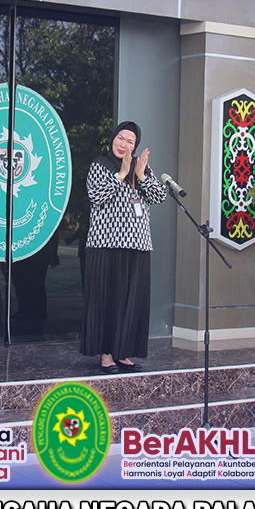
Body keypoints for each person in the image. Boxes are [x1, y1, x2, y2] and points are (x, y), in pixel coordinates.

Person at [80, 121, 166, 373]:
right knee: (106, 301)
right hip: (105, 244)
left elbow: (159, 196)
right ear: (113, 139)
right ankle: (106, 354)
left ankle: (123, 352)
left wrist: (141, 175)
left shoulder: (141, 167)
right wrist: (121, 174)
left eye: (130, 141)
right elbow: (97, 196)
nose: (123, 144)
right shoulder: (100, 164)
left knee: (131, 302)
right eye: (120, 138)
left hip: (137, 245)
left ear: (135, 145)